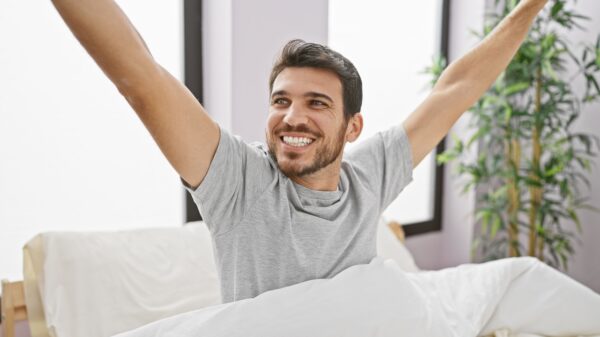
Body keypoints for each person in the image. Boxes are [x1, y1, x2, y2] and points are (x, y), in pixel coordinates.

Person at [50, 0, 549, 303]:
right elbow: (141, 76)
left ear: (353, 128)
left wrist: (531, 5)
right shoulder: (237, 180)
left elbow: (455, 89)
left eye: (316, 103)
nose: (292, 117)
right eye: (281, 101)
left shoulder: (369, 176)